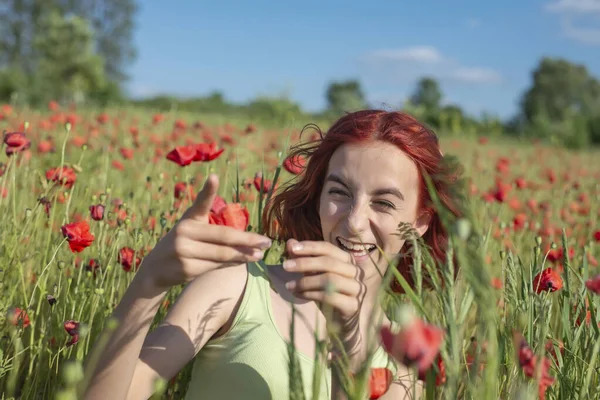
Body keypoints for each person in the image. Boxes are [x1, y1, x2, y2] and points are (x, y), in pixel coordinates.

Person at [84, 109, 464, 400]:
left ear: (419, 222)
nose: (354, 222)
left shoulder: (408, 357)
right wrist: (148, 284)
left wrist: (350, 339)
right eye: (339, 192)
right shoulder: (237, 288)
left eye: (383, 203)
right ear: (318, 198)